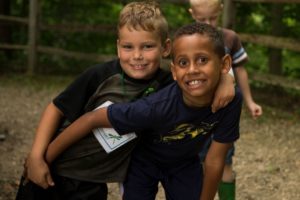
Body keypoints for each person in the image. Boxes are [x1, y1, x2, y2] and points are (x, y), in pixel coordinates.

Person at [16, 1, 235, 200]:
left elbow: (201, 75)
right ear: (118, 46)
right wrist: (38, 157)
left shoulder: (172, 82)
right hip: (58, 163)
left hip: (95, 179)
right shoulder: (100, 75)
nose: (137, 55)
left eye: (147, 46)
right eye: (128, 47)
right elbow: (56, 108)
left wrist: (226, 79)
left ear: (165, 48)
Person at [188, 0, 263, 199]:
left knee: (225, 162)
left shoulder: (230, 38)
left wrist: (249, 101)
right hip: (195, 114)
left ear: (220, 11)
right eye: (201, 18)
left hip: (225, 114)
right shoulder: (187, 39)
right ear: (191, 13)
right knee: (197, 162)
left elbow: (240, 70)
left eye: (212, 18)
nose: (207, 23)